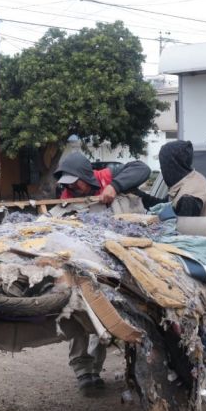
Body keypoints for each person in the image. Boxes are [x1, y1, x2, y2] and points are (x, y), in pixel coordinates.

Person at [53, 150, 151, 393]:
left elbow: (142, 169)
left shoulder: (108, 176)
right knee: (76, 316)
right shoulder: (66, 195)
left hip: (108, 265)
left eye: (76, 182)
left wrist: (115, 187)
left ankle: (95, 369)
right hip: (77, 264)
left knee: (102, 317)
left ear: (87, 176)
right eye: (68, 184)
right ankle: (83, 372)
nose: (72, 188)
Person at [138, 140, 206, 217]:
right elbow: (165, 204)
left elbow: (181, 229)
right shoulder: (193, 178)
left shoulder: (188, 198)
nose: (161, 169)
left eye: (163, 166)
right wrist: (139, 195)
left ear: (173, 166)